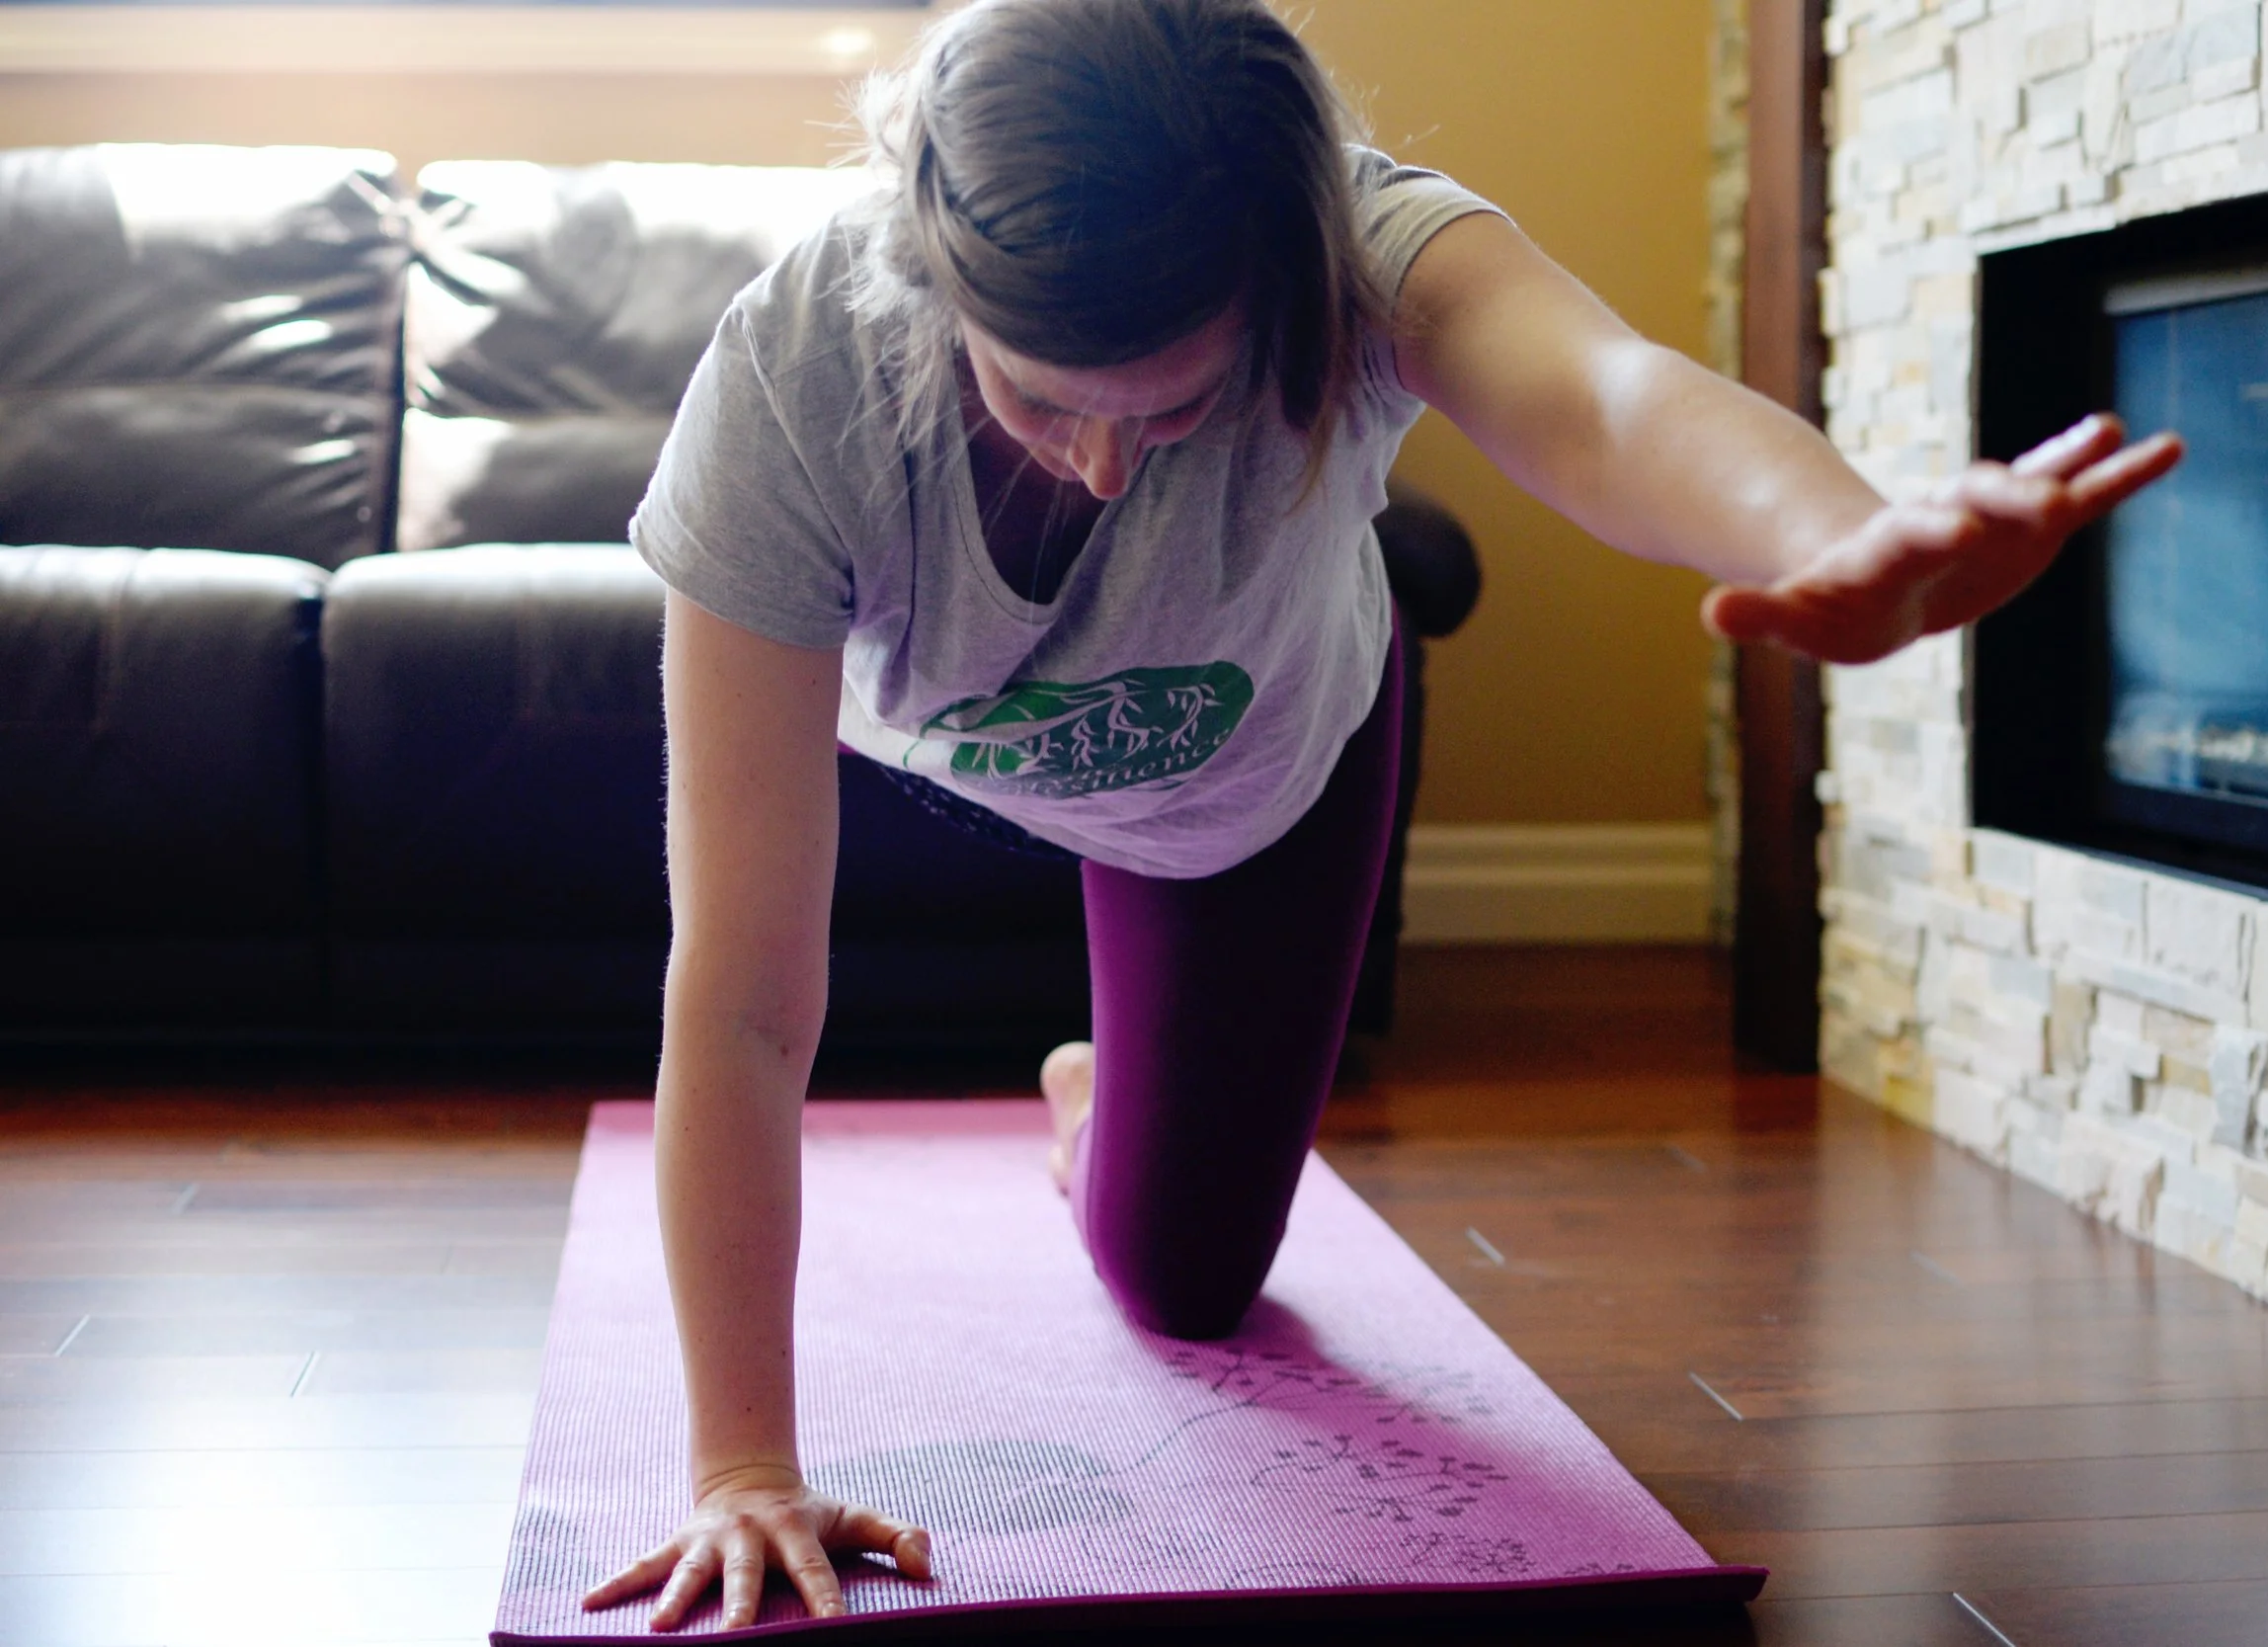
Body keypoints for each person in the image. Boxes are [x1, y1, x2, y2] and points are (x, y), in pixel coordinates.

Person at [581, 0, 2182, 1629]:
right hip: (952, 745)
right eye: (1048, 399)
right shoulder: (796, 379)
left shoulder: (1359, 244)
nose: (1109, 467)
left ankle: (1097, 1090)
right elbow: (743, 1001)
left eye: (1179, 406)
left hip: (1258, 772)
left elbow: (1604, 398)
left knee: (1187, 1288)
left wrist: (1850, 530)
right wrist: (741, 1467)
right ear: (940, 286)